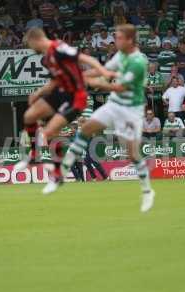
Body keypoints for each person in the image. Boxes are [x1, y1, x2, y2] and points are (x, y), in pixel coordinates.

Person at [62, 24, 155, 213]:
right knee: (86, 127)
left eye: (119, 38)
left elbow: (120, 87)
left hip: (131, 109)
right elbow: (101, 71)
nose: (115, 42)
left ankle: (147, 190)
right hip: (114, 104)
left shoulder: (138, 62)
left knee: (132, 154)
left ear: (130, 40)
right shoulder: (120, 55)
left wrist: (95, 83)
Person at [13, 27, 112, 194]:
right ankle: (32, 155)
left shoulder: (58, 48)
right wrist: (38, 93)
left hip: (75, 97)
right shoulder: (47, 59)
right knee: (29, 116)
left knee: (50, 132)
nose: (31, 49)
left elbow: (86, 58)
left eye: (30, 45)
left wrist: (103, 72)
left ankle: (57, 176)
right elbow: (53, 82)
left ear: (35, 40)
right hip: (60, 92)